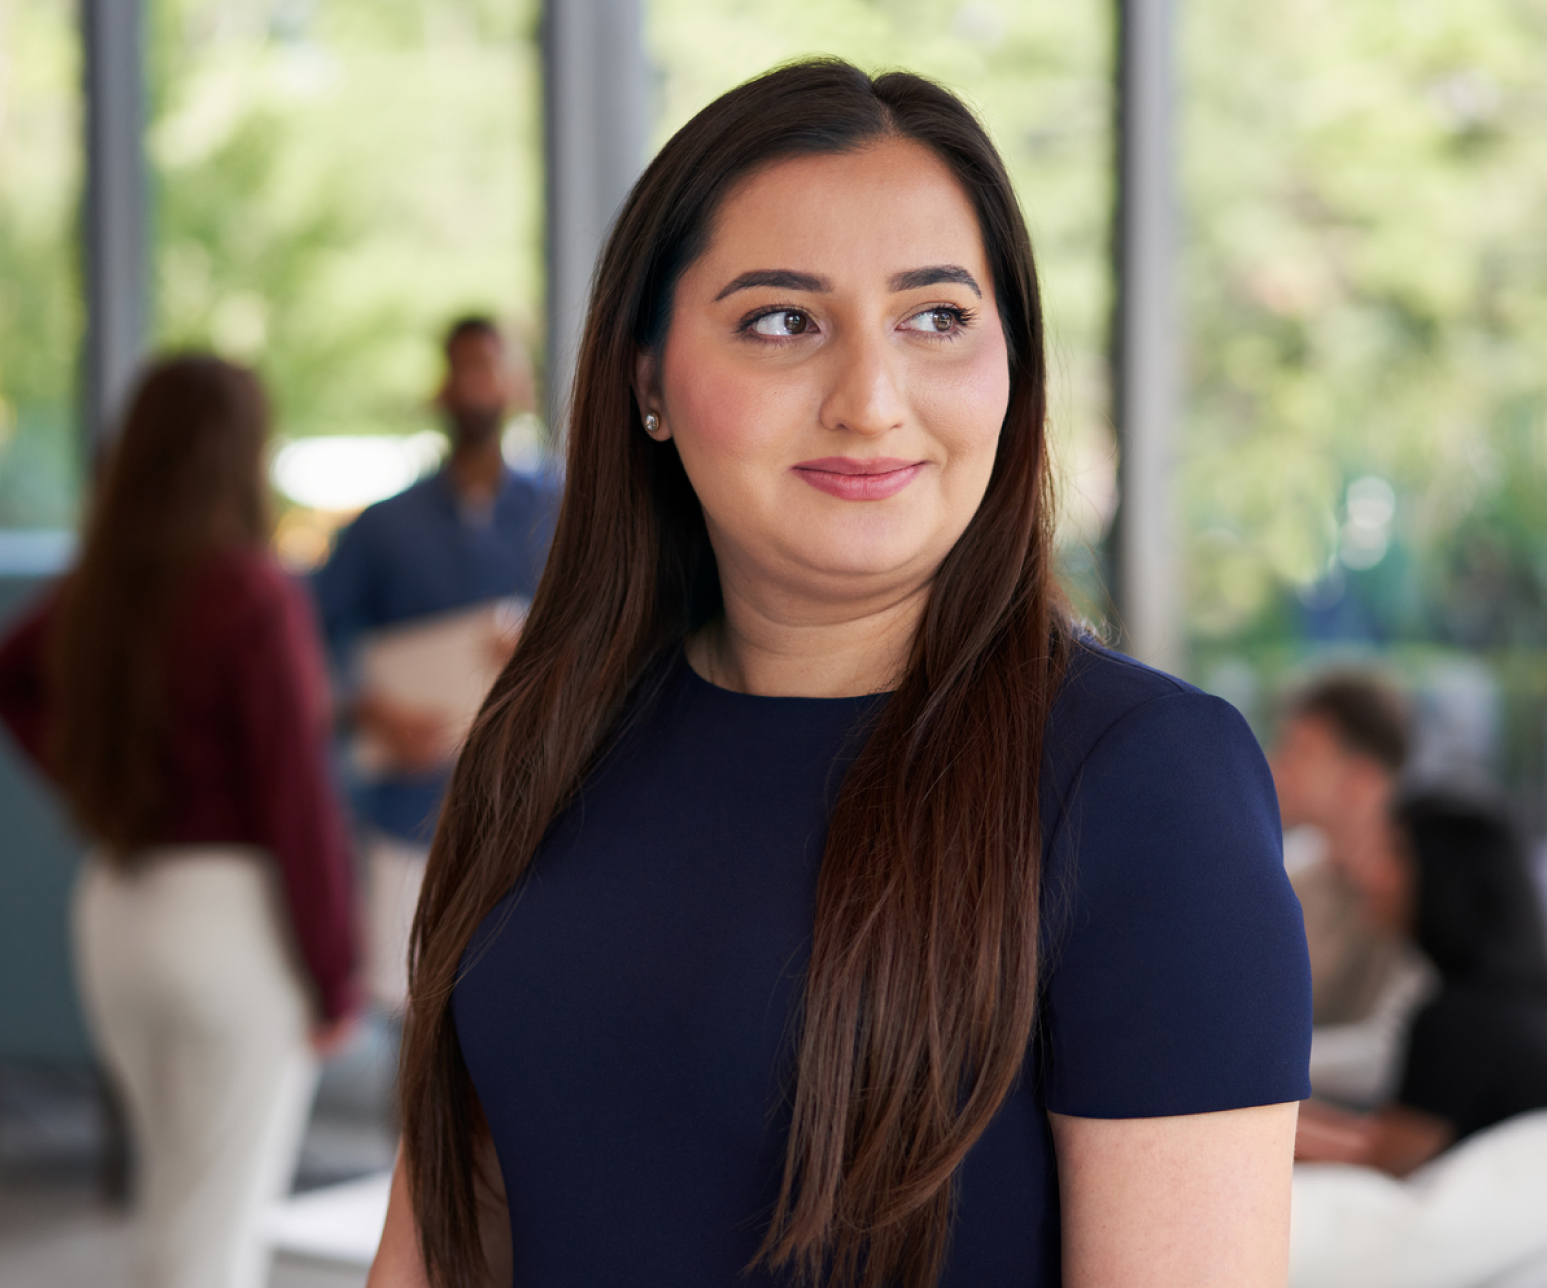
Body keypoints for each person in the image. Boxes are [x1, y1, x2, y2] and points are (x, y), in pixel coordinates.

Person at [369, 61, 1311, 1288]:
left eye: (935, 319)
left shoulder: (1141, 784)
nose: (871, 400)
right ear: (648, 377)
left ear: (1013, 367)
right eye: (781, 320)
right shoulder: (550, 736)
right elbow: (443, 1239)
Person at [0, 355, 360, 1288]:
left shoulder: (102, 588)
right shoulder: (249, 592)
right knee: (213, 1236)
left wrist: (99, 785)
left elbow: (14, 678)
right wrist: (335, 973)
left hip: (121, 908)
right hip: (232, 926)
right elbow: (297, 800)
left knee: (175, 1209)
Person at [312, 316, 561, 1007]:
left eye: (491, 366)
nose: (476, 383)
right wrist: (366, 705)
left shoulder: (569, 512)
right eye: (463, 368)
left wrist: (542, 655)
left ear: (519, 385)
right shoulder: (383, 525)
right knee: (413, 1021)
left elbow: (627, 640)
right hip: (411, 815)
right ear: (441, 388)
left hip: (539, 812)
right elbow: (311, 644)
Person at [1296, 791, 1547, 1177]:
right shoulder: (1541, 1002)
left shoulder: (1458, 1023)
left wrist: (1244, 1126)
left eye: (1392, 854)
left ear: (1445, 875)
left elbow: (1379, 1163)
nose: (1368, 873)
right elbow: (1383, 1138)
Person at [1271, 671, 1433, 1107]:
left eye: (1301, 751)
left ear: (1361, 781)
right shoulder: (1295, 878)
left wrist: (1252, 1063)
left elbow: (1394, 1052)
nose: (1277, 767)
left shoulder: (1425, 892)